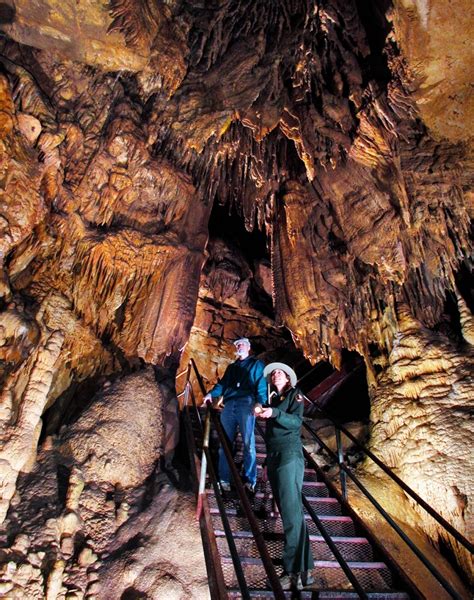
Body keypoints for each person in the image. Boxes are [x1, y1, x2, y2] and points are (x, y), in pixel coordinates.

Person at [257, 362, 314, 591]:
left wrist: (275, 413)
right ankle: (306, 569)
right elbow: (271, 434)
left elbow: (296, 422)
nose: (276, 374)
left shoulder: (294, 396)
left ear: (288, 378)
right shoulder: (273, 401)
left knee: (290, 514)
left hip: (290, 454)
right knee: (293, 513)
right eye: (273, 373)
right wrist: (265, 461)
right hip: (275, 455)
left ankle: (291, 570)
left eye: (280, 372)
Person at [203, 337, 267, 493]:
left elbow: (261, 384)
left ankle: (249, 480)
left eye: (242, 344)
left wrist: (260, 402)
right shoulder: (232, 368)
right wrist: (211, 394)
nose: (239, 346)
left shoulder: (256, 364)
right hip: (230, 404)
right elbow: (223, 384)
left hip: (247, 402)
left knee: (247, 442)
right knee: (224, 443)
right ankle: (223, 478)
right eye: (237, 344)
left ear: (248, 347)